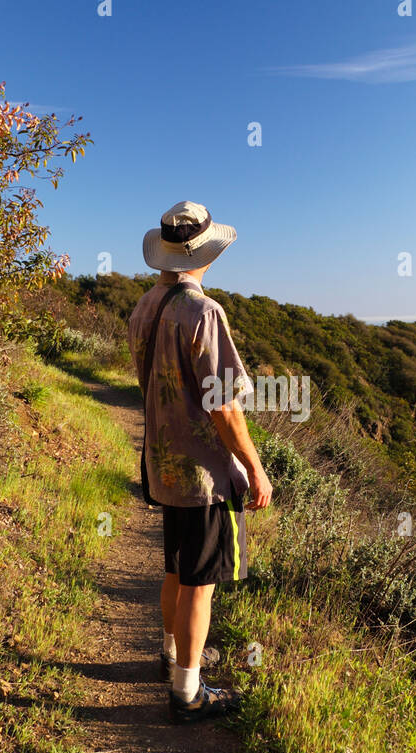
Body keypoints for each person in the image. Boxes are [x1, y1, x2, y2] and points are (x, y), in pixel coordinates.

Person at [130, 200, 273, 724]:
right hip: (203, 476)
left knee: (175, 565)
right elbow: (225, 404)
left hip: (162, 463)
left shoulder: (146, 306)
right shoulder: (203, 312)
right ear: (204, 255)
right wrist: (255, 468)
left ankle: (172, 655)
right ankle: (187, 691)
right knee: (200, 583)